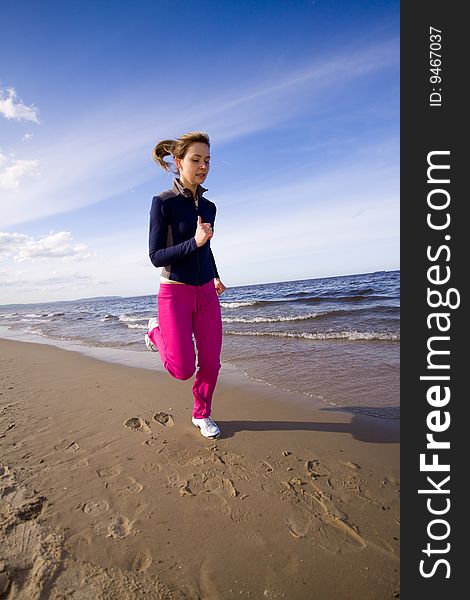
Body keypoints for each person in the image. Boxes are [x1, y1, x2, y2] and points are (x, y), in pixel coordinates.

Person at [146, 131, 227, 439]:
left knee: (211, 362)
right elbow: (156, 256)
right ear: (178, 162)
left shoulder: (210, 208)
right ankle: (155, 332)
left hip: (206, 290)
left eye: (207, 160)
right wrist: (194, 242)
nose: (203, 166)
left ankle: (201, 413)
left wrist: (215, 274)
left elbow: (205, 247)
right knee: (182, 369)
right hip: (174, 292)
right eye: (196, 159)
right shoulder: (163, 203)